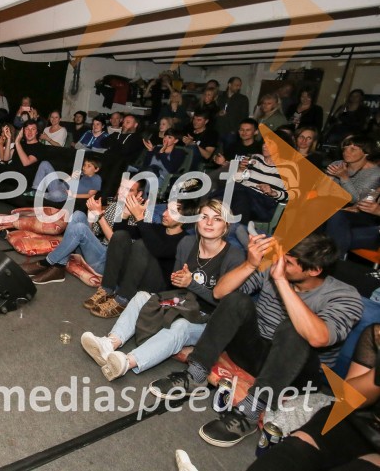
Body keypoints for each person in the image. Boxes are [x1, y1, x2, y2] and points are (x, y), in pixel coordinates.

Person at [148, 233, 362, 448]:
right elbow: (220, 293)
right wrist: (250, 264)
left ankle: (250, 412)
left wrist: (281, 281)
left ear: (314, 270)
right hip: (256, 353)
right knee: (236, 300)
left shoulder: (344, 295)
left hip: (295, 374)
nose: (280, 265)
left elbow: (318, 338)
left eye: (288, 263)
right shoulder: (274, 268)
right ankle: (195, 373)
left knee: (295, 328)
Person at [81, 200, 244, 379]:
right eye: (204, 217)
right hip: (180, 303)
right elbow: (174, 286)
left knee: (180, 326)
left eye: (217, 219)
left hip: (207, 318)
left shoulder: (234, 256)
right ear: (197, 220)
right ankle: (109, 343)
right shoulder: (188, 243)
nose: (209, 223)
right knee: (142, 296)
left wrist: (192, 284)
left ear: (226, 226)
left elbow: (227, 306)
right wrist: (177, 284)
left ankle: (127, 362)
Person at [247, 323, 380, 471]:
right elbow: (351, 398)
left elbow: (319, 338)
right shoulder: (376, 334)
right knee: (284, 458)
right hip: (360, 419)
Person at [22, 179, 145, 285]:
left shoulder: (140, 214)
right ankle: (59, 266)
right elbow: (94, 233)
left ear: (139, 194)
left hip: (109, 262)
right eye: (121, 187)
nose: (122, 192)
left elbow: (118, 244)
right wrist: (91, 217)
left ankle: (47, 262)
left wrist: (99, 216)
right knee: (78, 215)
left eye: (129, 190)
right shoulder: (114, 205)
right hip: (99, 250)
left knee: (80, 228)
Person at [82, 199, 191, 317]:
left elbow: (160, 250)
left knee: (142, 245)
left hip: (155, 286)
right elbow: (118, 235)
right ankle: (107, 289)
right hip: (134, 277)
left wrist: (139, 216)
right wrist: (125, 215)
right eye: (166, 209)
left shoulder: (185, 240)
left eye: (172, 212)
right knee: (120, 236)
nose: (164, 214)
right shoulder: (158, 228)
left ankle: (122, 300)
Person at [226, 130, 299, 225]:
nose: (264, 146)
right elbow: (238, 181)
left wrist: (273, 192)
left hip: (264, 204)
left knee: (236, 196)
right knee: (234, 194)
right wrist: (240, 169)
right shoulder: (255, 158)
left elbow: (293, 194)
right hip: (241, 196)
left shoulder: (290, 167)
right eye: (264, 143)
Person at [31, 155, 101, 203]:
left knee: (56, 194)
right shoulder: (81, 173)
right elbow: (64, 182)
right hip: (60, 185)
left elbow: (90, 195)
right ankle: (36, 189)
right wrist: (71, 176)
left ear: (96, 169)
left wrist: (73, 195)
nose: (84, 168)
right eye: (84, 165)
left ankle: (40, 194)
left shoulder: (96, 178)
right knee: (45, 163)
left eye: (89, 166)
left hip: (66, 194)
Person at [11, 119, 48, 187]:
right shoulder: (21, 144)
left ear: (37, 132)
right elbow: (6, 158)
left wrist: (17, 142)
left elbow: (26, 162)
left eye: (33, 129)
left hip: (24, 180)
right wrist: (8, 139)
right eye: (27, 129)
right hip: (11, 176)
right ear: (23, 131)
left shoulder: (40, 147)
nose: (30, 132)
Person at [215, 77, 250, 146]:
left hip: (231, 132)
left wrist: (235, 130)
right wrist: (218, 114)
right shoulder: (220, 96)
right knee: (215, 151)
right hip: (217, 130)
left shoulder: (242, 99)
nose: (238, 87)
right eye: (236, 85)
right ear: (229, 85)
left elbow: (244, 116)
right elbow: (212, 111)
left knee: (228, 152)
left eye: (239, 85)